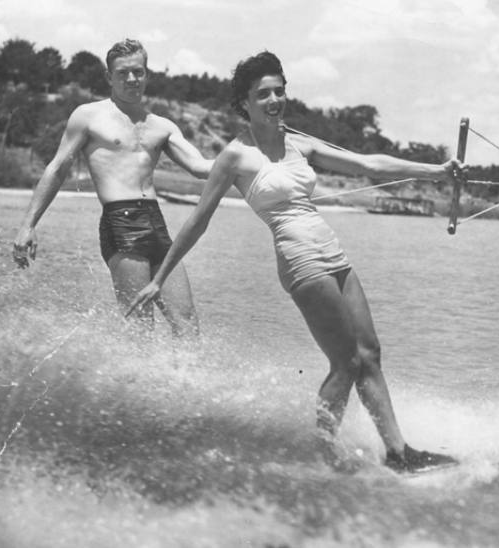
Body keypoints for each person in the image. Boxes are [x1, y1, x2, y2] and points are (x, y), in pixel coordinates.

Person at [128, 51, 466, 472]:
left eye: (279, 91)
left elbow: (368, 165)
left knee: (370, 353)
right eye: (263, 94)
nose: (274, 100)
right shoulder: (235, 156)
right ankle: (325, 457)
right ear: (245, 104)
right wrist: (160, 277)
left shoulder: (299, 143)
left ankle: (399, 452)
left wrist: (436, 171)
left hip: (333, 253)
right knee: (346, 362)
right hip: (300, 261)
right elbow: (199, 220)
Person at [12, 39, 214, 337]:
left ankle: (182, 384)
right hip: (121, 223)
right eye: (122, 73)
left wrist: (252, 154)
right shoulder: (89, 116)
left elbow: (201, 168)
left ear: (147, 74)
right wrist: (27, 225)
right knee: (141, 328)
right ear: (109, 77)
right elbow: (56, 168)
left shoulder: (163, 126)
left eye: (138, 71)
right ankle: (128, 383)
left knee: (187, 324)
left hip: (157, 225)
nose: (131, 79)